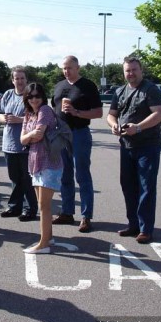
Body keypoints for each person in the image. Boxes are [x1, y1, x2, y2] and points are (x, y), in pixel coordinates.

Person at [106, 56, 161, 244]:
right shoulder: (120, 91)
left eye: (134, 70)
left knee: (146, 187)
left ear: (141, 70)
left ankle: (145, 229)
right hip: (127, 146)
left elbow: (159, 113)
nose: (130, 73)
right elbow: (111, 115)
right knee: (128, 185)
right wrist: (114, 126)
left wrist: (138, 127)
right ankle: (133, 225)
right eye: (127, 70)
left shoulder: (150, 89)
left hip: (148, 145)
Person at [52, 55, 103, 233]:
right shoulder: (59, 86)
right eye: (64, 68)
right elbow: (54, 108)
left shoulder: (88, 86)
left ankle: (86, 216)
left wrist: (77, 112)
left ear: (78, 68)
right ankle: (67, 212)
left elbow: (98, 113)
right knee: (64, 175)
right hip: (61, 135)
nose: (67, 71)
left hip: (80, 133)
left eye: (70, 68)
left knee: (82, 174)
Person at [20, 83, 63, 254]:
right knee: (42, 205)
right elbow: (22, 140)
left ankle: (43, 243)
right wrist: (29, 136)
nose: (34, 99)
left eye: (37, 96)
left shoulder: (45, 110)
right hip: (35, 163)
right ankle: (49, 237)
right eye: (30, 96)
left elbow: (38, 134)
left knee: (43, 205)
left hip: (49, 163)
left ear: (43, 97)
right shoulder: (28, 114)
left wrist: (28, 136)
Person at [0, 66, 38, 221]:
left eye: (22, 78)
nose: (19, 81)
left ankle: (30, 209)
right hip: (9, 144)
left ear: (26, 79)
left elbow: (38, 116)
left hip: (25, 143)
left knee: (27, 179)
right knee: (14, 178)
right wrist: (4, 119)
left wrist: (19, 120)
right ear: (12, 80)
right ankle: (14, 207)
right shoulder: (7, 94)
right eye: (16, 78)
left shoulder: (31, 95)